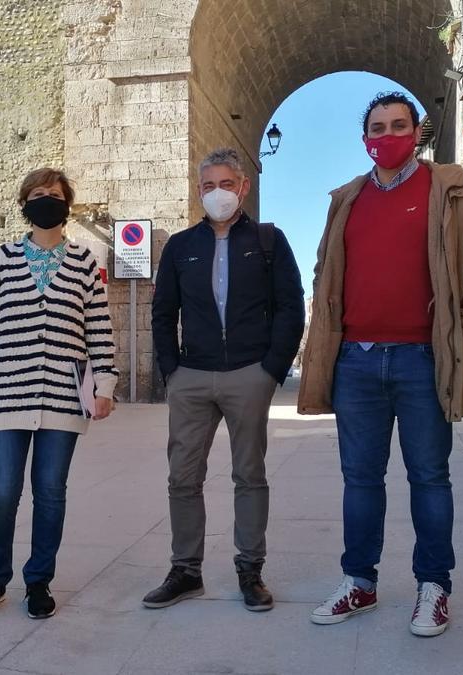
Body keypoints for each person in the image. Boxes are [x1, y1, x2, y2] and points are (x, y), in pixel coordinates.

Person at [299, 92, 463, 635]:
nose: (387, 135)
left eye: (398, 125)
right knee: (360, 480)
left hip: (422, 361)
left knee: (430, 477)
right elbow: (326, 273)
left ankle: (433, 587)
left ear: (417, 132)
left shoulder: (452, 189)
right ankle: (359, 584)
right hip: (357, 363)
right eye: (377, 127)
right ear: (364, 137)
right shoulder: (346, 199)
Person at [144, 147, 304, 612]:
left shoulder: (269, 241)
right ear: (199, 191)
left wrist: (271, 369)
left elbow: (291, 308)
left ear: (244, 187)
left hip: (248, 375)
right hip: (191, 376)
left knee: (249, 476)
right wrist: (171, 370)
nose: (217, 194)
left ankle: (250, 571)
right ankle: (185, 571)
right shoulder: (179, 246)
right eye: (208, 186)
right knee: (182, 477)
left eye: (226, 184)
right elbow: (162, 313)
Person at [0, 168, 118, 620]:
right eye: (37, 194)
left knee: (50, 492)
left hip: (64, 398)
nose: (46, 199)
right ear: (24, 203)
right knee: (4, 492)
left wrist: (104, 385)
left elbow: (99, 330)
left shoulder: (85, 262)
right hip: (4, 396)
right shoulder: (2, 259)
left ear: (67, 204)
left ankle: (39, 582)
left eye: (54, 194)